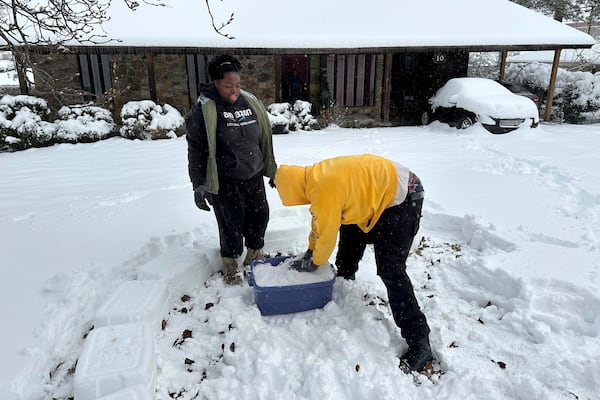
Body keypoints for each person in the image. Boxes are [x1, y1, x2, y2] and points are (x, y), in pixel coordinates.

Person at [274, 154, 433, 372]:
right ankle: (344, 279)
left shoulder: (323, 188)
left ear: (294, 192)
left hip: (403, 195)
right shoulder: (315, 177)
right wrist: (310, 250)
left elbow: (327, 237)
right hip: (381, 192)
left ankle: (420, 342)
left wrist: (314, 262)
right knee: (350, 229)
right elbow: (320, 221)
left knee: (391, 269)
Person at [186, 55, 277, 285]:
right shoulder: (204, 109)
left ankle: (255, 254)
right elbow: (196, 150)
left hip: (253, 174)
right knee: (230, 224)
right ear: (216, 83)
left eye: (237, 84)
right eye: (228, 85)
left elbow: (264, 138)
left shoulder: (250, 102)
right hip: (225, 179)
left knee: (260, 216)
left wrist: (271, 169)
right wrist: (198, 184)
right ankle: (230, 263)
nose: (234, 89)